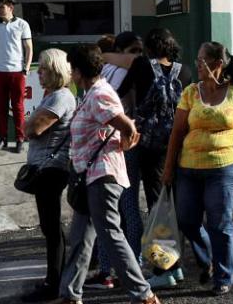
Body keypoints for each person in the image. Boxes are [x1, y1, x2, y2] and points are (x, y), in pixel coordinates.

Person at [53, 45, 161, 304]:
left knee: (110, 235)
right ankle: (70, 294)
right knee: (80, 238)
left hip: (102, 176)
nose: (70, 74)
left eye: (72, 69)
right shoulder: (90, 94)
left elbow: (126, 124)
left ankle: (144, 294)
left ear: (78, 71)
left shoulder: (100, 94)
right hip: (88, 177)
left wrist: (126, 141)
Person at [163, 42, 233, 297]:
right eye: (198, 60)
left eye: (202, 61)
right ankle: (208, 258)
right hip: (188, 167)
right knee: (187, 220)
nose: (198, 65)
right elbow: (177, 133)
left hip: (224, 167)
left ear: (217, 64)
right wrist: (168, 169)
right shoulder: (190, 92)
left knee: (220, 223)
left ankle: (223, 276)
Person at [117, 28, 192, 288]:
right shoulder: (184, 71)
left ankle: (164, 270)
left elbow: (120, 91)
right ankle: (176, 266)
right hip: (177, 144)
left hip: (150, 145)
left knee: (157, 207)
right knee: (171, 204)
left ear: (149, 48)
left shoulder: (141, 66)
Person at [84, 30, 143, 292]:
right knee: (123, 212)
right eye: (133, 50)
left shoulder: (103, 73)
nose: (138, 56)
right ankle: (128, 268)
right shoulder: (120, 71)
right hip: (121, 145)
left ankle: (112, 270)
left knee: (112, 216)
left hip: (108, 147)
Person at [20, 49, 76, 303]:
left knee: (51, 227)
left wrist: (29, 124)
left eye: (42, 69)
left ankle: (53, 283)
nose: (38, 73)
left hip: (51, 169)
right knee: (49, 226)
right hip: (45, 167)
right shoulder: (53, 96)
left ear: (54, 71)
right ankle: (54, 278)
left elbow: (33, 129)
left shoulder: (60, 98)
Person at [0, 0, 33, 153]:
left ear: (11, 8)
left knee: (18, 106)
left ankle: (20, 139)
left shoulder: (22, 25)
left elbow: (28, 48)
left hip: (17, 72)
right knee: (1, 107)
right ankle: (2, 138)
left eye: (2, 7)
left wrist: (26, 68)